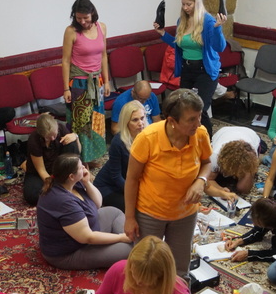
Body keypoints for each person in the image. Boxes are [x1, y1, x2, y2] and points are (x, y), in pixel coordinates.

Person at [125, 89, 212, 279]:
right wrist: (130, 217)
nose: (198, 123)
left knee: (179, 271)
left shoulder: (200, 134)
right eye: (191, 119)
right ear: (172, 121)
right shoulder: (148, 138)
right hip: (150, 213)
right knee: (145, 269)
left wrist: (201, 181)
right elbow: (131, 179)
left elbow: (207, 163)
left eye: (199, 117)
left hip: (185, 214)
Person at [37, 154, 133, 270]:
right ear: (71, 176)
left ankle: (126, 240)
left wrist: (87, 182)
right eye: (80, 167)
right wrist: (120, 237)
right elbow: (87, 237)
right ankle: (126, 242)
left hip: (86, 230)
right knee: (132, 250)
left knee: (114, 212)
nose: (84, 167)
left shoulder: (72, 183)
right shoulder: (63, 201)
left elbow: (98, 203)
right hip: (71, 252)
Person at [154, 0, 226, 137]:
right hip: (187, 70)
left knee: (199, 108)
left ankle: (207, 139)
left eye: (189, 4)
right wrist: (162, 33)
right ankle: (188, 137)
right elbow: (179, 44)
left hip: (205, 71)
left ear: (197, 2)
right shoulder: (182, 21)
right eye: (183, 4)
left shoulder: (207, 21)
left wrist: (217, 28)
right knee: (184, 106)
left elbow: (219, 47)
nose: (185, 8)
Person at [62, 0, 109, 166]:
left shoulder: (101, 27)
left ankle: (91, 157)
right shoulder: (71, 31)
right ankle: (81, 161)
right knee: (81, 124)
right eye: (78, 18)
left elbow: (103, 56)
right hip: (79, 83)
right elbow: (65, 61)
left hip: (97, 82)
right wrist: (66, 89)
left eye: (85, 18)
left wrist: (107, 81)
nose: (82, 21)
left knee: (96, 121)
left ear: (93, 13)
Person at [94, 101, 148, 211]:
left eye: (142, 118)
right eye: (135, 120)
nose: (140, 123)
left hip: (130, 181)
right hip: (109, 186)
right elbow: (116, 177)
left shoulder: (147, 135)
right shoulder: (118, 142)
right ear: (126, 122)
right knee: (138, 208)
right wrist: (135, 191)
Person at [23, 113, 81, 205]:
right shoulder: (34, 140)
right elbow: (41, 170)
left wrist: (75, 137)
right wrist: (56, 186)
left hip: (59, 168)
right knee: (32, 196)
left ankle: (63, 187)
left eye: (55, 134)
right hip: (39, 172)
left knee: (71, 142)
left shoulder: (61, 128)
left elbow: (78, 152)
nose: (53, 138)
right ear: (41, 134)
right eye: (49, 137)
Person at [205, 125, 261, 201]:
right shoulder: (215, 155)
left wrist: (248, 171)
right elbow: (208, 180)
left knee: (242, 187)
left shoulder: (252, 156)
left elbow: (245, 189)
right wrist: (221, 191)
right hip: (224, 131)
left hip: (251, 134)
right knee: (218, 178)